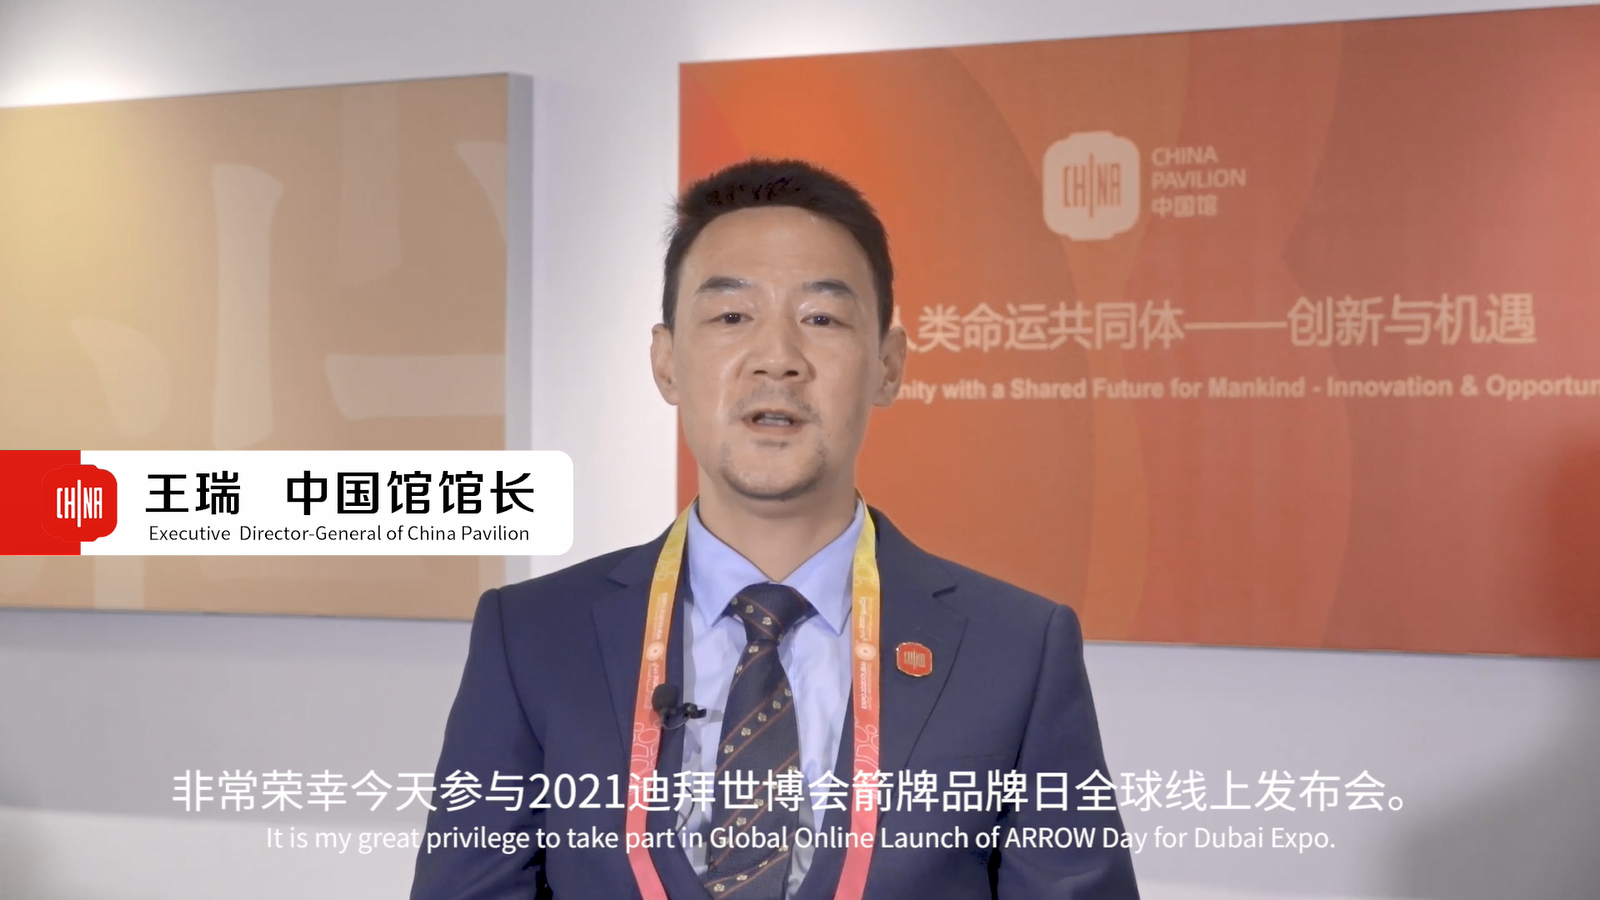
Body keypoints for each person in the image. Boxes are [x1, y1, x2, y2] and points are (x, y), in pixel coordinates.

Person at [410, 158, 1139, 899]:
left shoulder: (1015, 650)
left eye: (822, 319)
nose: (777, 360)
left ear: (888, 365)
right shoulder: (533, 637)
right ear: (666, 362)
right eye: (732, 317)